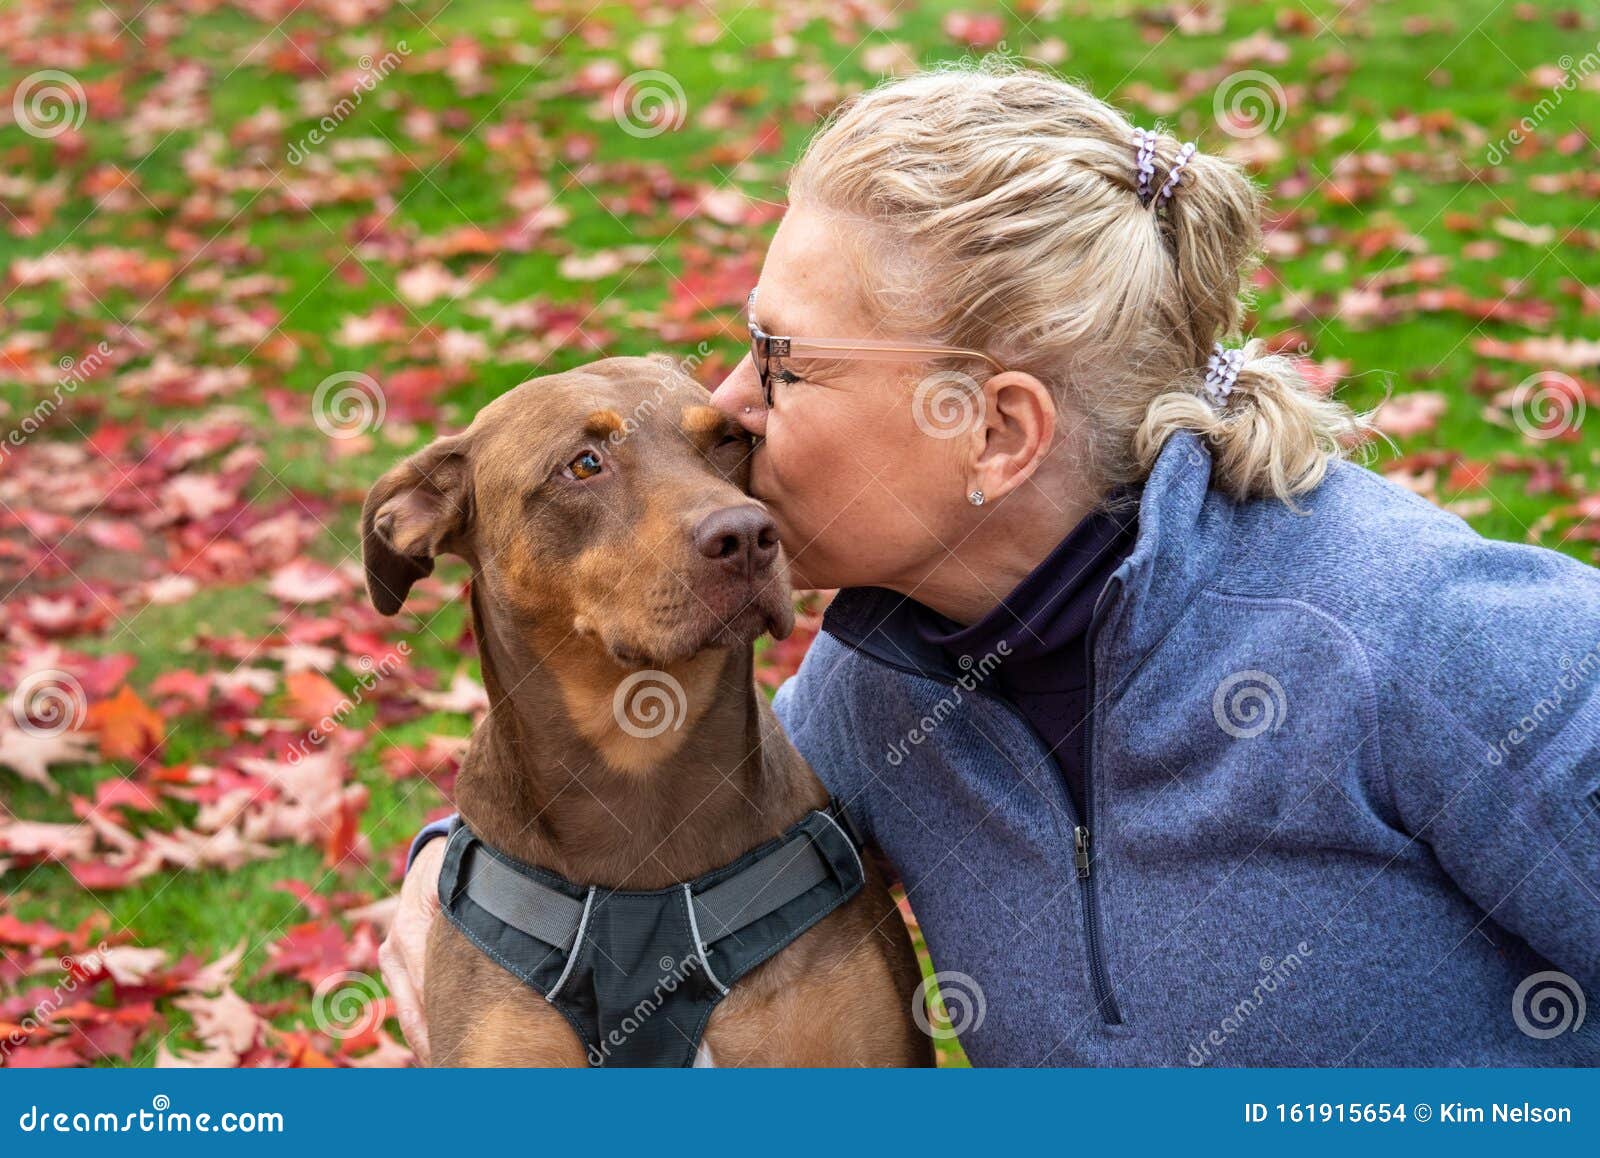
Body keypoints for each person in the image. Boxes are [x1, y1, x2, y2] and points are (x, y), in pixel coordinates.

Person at [381, 62, 1600, 1066]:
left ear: (998, 432)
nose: (729, 406)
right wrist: (455, 864)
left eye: (785, 363)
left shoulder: (1435, 644)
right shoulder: (887, 686)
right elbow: (670, 801)